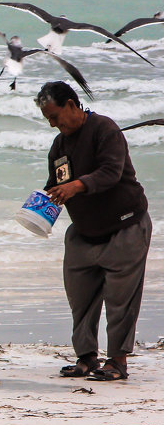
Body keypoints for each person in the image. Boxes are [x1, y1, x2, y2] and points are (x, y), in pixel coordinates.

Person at [36, 81, 151, 381]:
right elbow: (55, 183)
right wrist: (39, 205)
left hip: (125, 225)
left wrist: (76, 185)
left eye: (55, 116)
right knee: (81, 297)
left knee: (120, 299)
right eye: (47, 119)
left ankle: (117, 361)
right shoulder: (59, 146)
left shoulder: (104, 130)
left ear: (72, 105)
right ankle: (87, 358)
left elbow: (111, 172)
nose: (53, 123)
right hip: (84, 232)